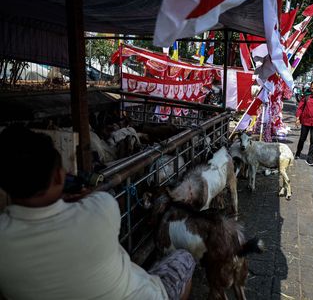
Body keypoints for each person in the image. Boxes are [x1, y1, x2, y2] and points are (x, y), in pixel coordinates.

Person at [0, 126, 195, 300]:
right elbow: (96, 201)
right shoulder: (101, 206)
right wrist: (83, 198)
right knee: (185, 258)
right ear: (60, 176)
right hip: (141, 293)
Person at [295, 80, 313, 166]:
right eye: (312, 88)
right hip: (305, 121)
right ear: (310, 89)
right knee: (302, 139)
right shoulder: (306, 98)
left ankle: (310, 158)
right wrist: (297, 118)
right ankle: (298, 152)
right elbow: (300, 108)